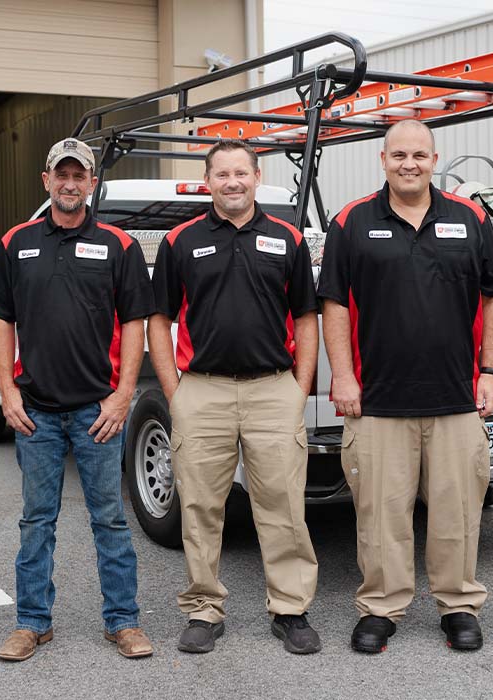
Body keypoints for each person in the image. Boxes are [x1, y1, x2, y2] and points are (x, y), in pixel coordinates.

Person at [319, 120, 493, 653]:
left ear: (434, 159)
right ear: (382, 160)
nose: (409, 163)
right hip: (377, 401)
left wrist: (489, 371)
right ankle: (381, 607)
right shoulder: (352, 222)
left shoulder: (469, 218)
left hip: (456, 397)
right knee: (381, 514)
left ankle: (459, 605)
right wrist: (344, 374)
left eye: (419, 154)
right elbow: (332, 303)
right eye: (399, 154)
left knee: (458, 512)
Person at [0, 138, 155, 661]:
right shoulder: (17, 242)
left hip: (97, 410)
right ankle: (32, 622)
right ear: (46, 181)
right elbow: (1, 321)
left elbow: (134, 324)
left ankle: (123, 622)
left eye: (80, 175)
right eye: (63, 175)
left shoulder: (119, 245)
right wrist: (8, 393)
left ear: (92, 183)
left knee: (111, 519)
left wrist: (123, 395)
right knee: (37, 520)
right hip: (35, 411)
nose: (71, 183)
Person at [147, 139, 321, 655]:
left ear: (257, 176)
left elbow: (306, 318)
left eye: (241, 173)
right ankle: (204, 609)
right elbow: (160, 319)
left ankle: (290, 609)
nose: (232, 182)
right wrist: (175, 392)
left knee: (284, 505)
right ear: (208, 181)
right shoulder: (180, 241)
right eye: (222, 174)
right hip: (203, 391)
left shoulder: (287, 238)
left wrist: (300, 388)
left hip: (273, 390)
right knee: (200, 506)